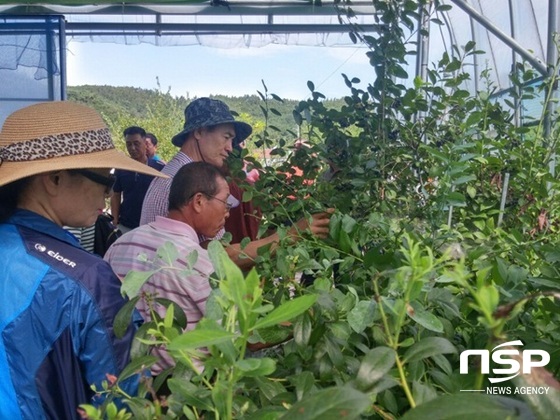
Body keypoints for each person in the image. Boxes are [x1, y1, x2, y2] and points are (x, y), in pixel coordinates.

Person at [0, 101, 167, 419]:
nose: (109, 192)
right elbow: (121, 401)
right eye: (105, 179)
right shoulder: (86, 280)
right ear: (55, 179)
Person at [140, 97, 333, 269]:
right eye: (226, 137)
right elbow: (217, 255)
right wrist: (291, 235)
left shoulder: (176, 172)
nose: (229, 148)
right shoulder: (184, 180)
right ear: (199, 132)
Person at [105, 161, 233, 374]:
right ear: (199, 201)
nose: (227, 213)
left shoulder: (121, 244)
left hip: (131, 383)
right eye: (225, 203)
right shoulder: (200, 262)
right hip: (188, 393)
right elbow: (233, 333)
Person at [111, 126, 165, 233]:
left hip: (151, 226)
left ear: (145, 143)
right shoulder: (122, 168)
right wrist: (115, 219)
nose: (132, 148)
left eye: (136, 143)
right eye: (129, 144)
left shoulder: (158, 168)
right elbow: (116, 194)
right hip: (126, 224)